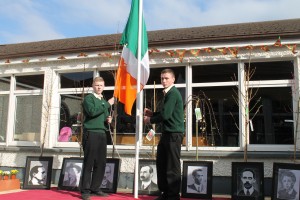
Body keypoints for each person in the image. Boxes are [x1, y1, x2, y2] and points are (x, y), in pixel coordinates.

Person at [144, 69, 184, 200]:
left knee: (172, 166)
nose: (163, 81)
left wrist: (150, 120)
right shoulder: (168, 94)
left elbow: (166, 115)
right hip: (167, 134)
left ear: (173, 79)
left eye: (166, 78)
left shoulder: (173, 93)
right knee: (162, 163)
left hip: (173, 134)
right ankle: (166, 193)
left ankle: (172, 196)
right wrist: (153, 114)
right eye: (162, 78)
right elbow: (165, 113)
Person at [80, 77, 114, 200]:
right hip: (91, 133)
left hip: (102, 133)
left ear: (104, 86)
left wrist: (108, 120)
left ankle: (95, 188)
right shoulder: (89, 99)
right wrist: (107, 104)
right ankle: (85, 191)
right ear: (93, 86)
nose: (99, 87)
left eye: (101, 85)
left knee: (101, 163)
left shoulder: (103, 100)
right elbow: (92, 112)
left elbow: (103, 117)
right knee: (89, 162)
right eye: (97, 85)